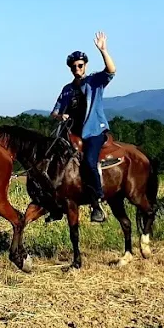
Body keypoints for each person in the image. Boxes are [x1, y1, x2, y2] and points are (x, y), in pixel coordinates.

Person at [50, 32, 117, 223]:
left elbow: (111, 71)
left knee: (88, 161)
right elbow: (54, 112)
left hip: (93, 131)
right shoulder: (67, 89)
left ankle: (97, 199)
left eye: (80, 65)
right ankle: (54, 202)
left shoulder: (94, 81)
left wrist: (103, 50)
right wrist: (59, 115)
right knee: (52, 162)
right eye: (73, 67)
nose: (76, 68)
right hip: (71, 133)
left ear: (85, 65)